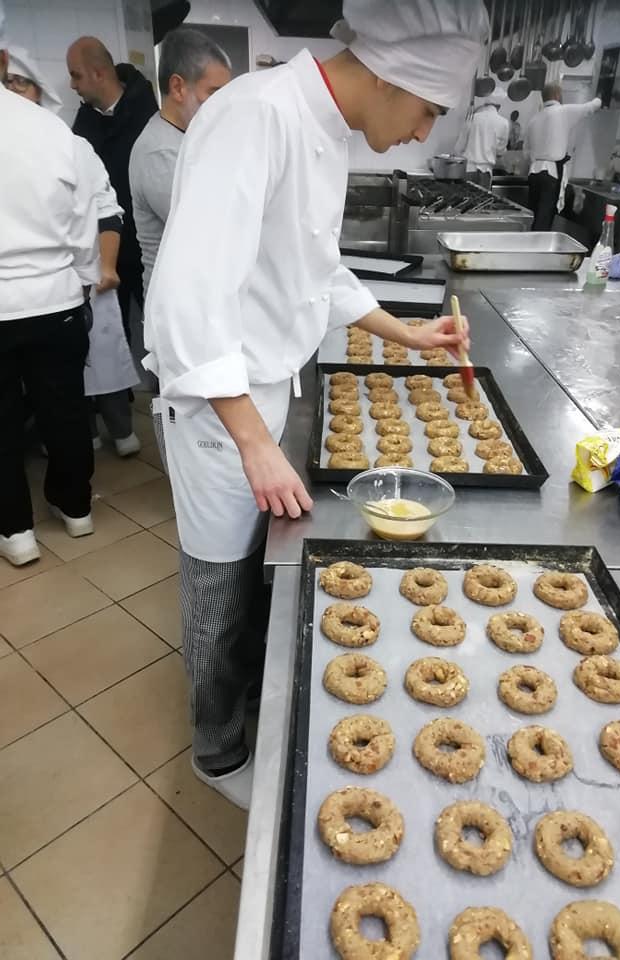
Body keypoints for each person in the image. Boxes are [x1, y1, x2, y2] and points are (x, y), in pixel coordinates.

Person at [144, 0, 486, 809]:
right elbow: (187, 295)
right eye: (428, 111)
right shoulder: (257, 116)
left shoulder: (324, 127)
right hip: (221, 410)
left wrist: (406, 333)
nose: (422, 131)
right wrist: (254, 442)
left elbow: (315, 268)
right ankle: (217, 754)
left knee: (255, 577)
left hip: (264, 393)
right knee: (219, 587)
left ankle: (247, 711)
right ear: (390, 76)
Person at [0, 3, 99, 567]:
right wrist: (81, 279)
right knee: (65, 409)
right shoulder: (48, 127)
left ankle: (16, 531)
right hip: (55, 299)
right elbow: (84, 223)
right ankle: (75, 508)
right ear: (4, 57)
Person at [6, 47, 141, 457]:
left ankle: (118, 431)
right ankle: (82, 440)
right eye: (5, 84)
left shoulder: (72, 145)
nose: (12, 92)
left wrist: (106, 267)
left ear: (39, 91)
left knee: (103, 357)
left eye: (21, 83)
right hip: (18, 297)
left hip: (82, 281)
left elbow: (107, 211)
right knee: (58, 385)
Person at [130, 27, 232, 300]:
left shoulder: (189, 137)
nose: (224, 107)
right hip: (176, 305)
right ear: (177, 87)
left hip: (197, 299)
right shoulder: (160, 152)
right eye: (214, 93)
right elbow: (212, 234)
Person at [67, 36, 157, 337]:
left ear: (99, 73)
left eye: (76, 75)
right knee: (112, 337)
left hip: (148, 249)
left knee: (160, 328)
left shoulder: (148, 115)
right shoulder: (83, 127)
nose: (72, 85)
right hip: (107, 252)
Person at [524, 83, 601, 231]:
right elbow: (590, 107)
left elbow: (526, 151)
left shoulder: (534, 118)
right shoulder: (563, 111)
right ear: (557, 95)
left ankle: (531, 242)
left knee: (533, 215)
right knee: (544, 218)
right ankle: (540, 244)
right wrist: (600, 98)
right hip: (551, 173)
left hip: (534, 172)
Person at [454, 95, 509, 189]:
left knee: (466, 197)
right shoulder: (503, 123)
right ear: (499, 107)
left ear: (485, 104)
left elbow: (458, 148)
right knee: (483, 198)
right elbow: (500, 150)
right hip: (485, 172)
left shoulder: (472, 118)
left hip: (468, 169)